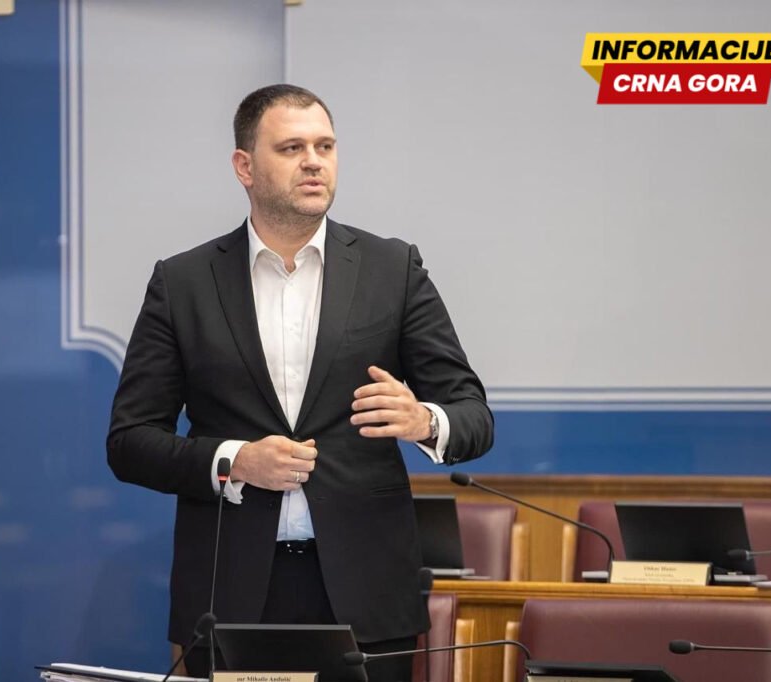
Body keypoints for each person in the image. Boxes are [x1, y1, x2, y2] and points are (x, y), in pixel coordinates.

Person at [107, 84, 494, 681]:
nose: (314, 161)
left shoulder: (392, 269)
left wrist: (424, 420)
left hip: (367, 594)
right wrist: (234, 460)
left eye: (325, 146)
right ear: (244, 166)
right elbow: (130, 441)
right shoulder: (183, 283)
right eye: (291, 148)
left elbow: (473, 415)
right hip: (229, 594)